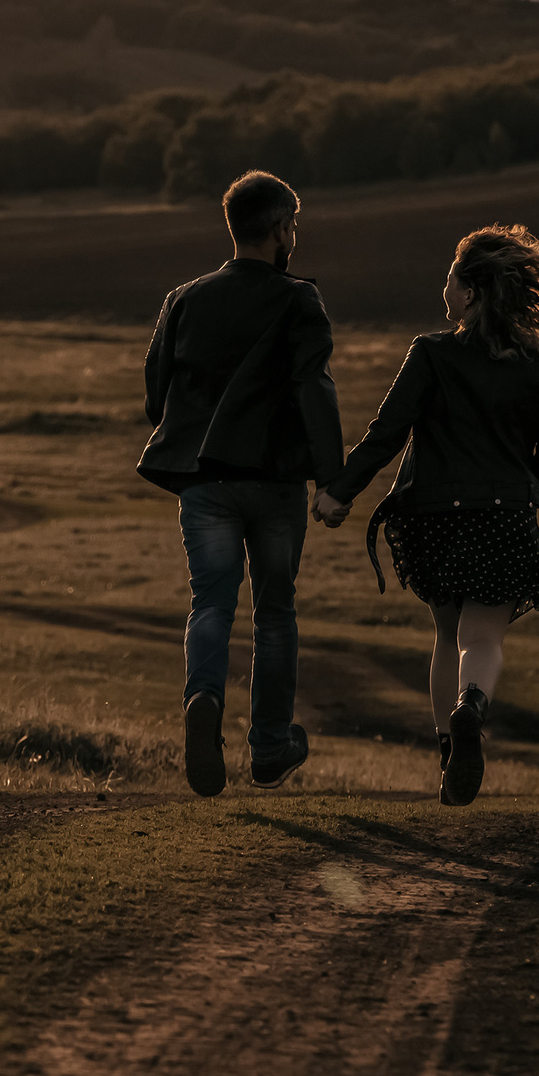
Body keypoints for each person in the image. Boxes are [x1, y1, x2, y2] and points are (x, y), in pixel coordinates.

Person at [314, 225, 539, 804]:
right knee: (483, 638)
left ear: (470, 292)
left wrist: (337, 492)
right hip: (503, 517)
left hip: (435, 519)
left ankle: (449, 754)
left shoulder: (431, 353)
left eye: (450, 278)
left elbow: (386, 433)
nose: (443, 289)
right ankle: (474, 705)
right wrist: (525, 489)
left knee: (447, 634)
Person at [138, 170, 345, 796]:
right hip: (274, 483)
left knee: (211, 604)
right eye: (293, 227)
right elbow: (315, 389)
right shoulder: (298, 301)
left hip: (206, 481)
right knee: (276, 614)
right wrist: (330, 478)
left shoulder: (184, 299)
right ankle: (270, 745)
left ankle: (202, 700)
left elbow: (157, 394)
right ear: (281, 228)